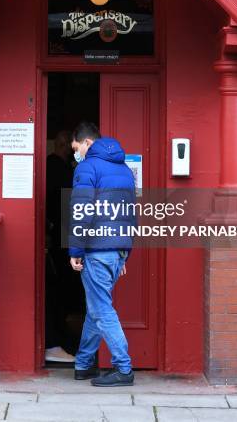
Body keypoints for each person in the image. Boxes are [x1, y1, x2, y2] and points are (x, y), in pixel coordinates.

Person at [68, 121, 137, 387]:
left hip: (96, 249)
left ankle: (123, 367)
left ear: (86, 143)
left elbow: (80, 210)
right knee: (96, 308)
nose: (76, 153)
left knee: (101, 309)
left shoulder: (87, 167)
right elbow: (131, 213)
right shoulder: (124, 169)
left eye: (76, 148)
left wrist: (75, 249)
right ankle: (84, 364)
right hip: (116, 249)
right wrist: (124, 253)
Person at [45, 130, 75, 363]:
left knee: (59, 284)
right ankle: (57, 338)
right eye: (68, 146)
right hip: (61, 235)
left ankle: (60, 334)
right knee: (60, 283)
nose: (70, 150)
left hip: (57, 234)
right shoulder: (60, 169)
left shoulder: (52, 166)